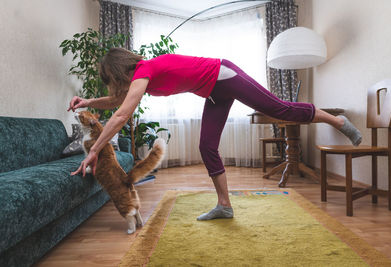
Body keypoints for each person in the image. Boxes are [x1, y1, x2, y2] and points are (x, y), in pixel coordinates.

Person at [69, 48, 362, 221]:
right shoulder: (140, 78)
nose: (114, 85)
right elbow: (119, 103)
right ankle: (224, 205)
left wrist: (94, 150)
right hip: (212, 91)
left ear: (119, 70)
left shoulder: (144, 70)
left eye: (112, 79)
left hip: (224, 75)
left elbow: (121, 115)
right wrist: (88, 103)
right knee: (207, 145)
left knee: (280, 108)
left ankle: (336, 120)